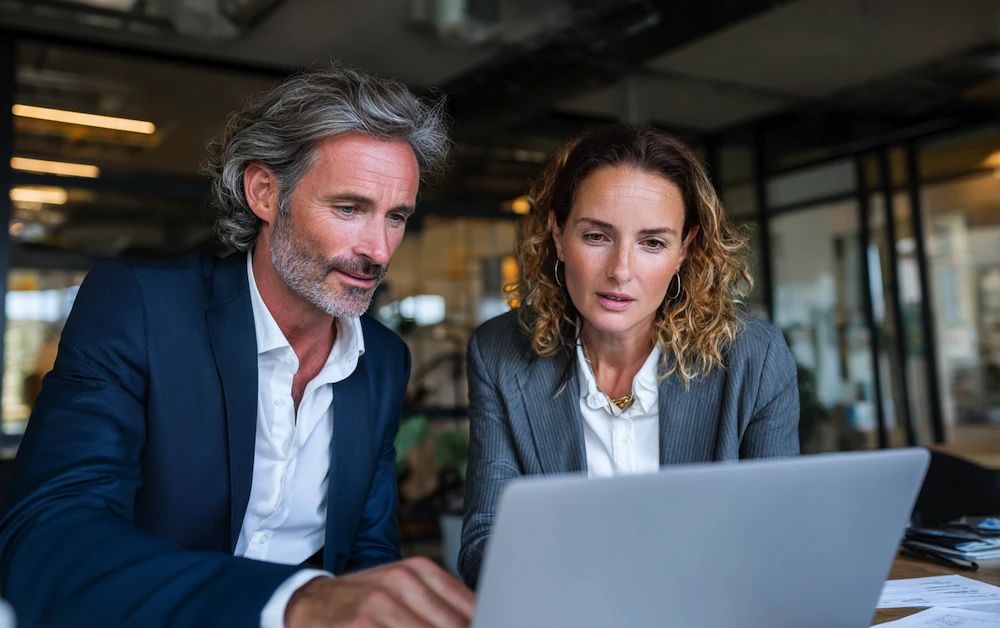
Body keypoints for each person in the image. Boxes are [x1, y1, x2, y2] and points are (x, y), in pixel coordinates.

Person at [0, 66, 475, 628]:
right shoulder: (139, 309)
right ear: (265, 193)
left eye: (396, 217)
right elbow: (45, 538)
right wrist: (295, 603)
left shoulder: (384, 358)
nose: (377, 249)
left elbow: (367, 550)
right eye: (349, 208)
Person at [459, 125, 800, 588]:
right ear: (558, 235)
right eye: (597, 236)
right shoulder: (498, 352)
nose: (621, 270)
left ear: (685, 249)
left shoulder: (753, 359)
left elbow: (779, 539)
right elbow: (484, 541)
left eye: (652, 243)